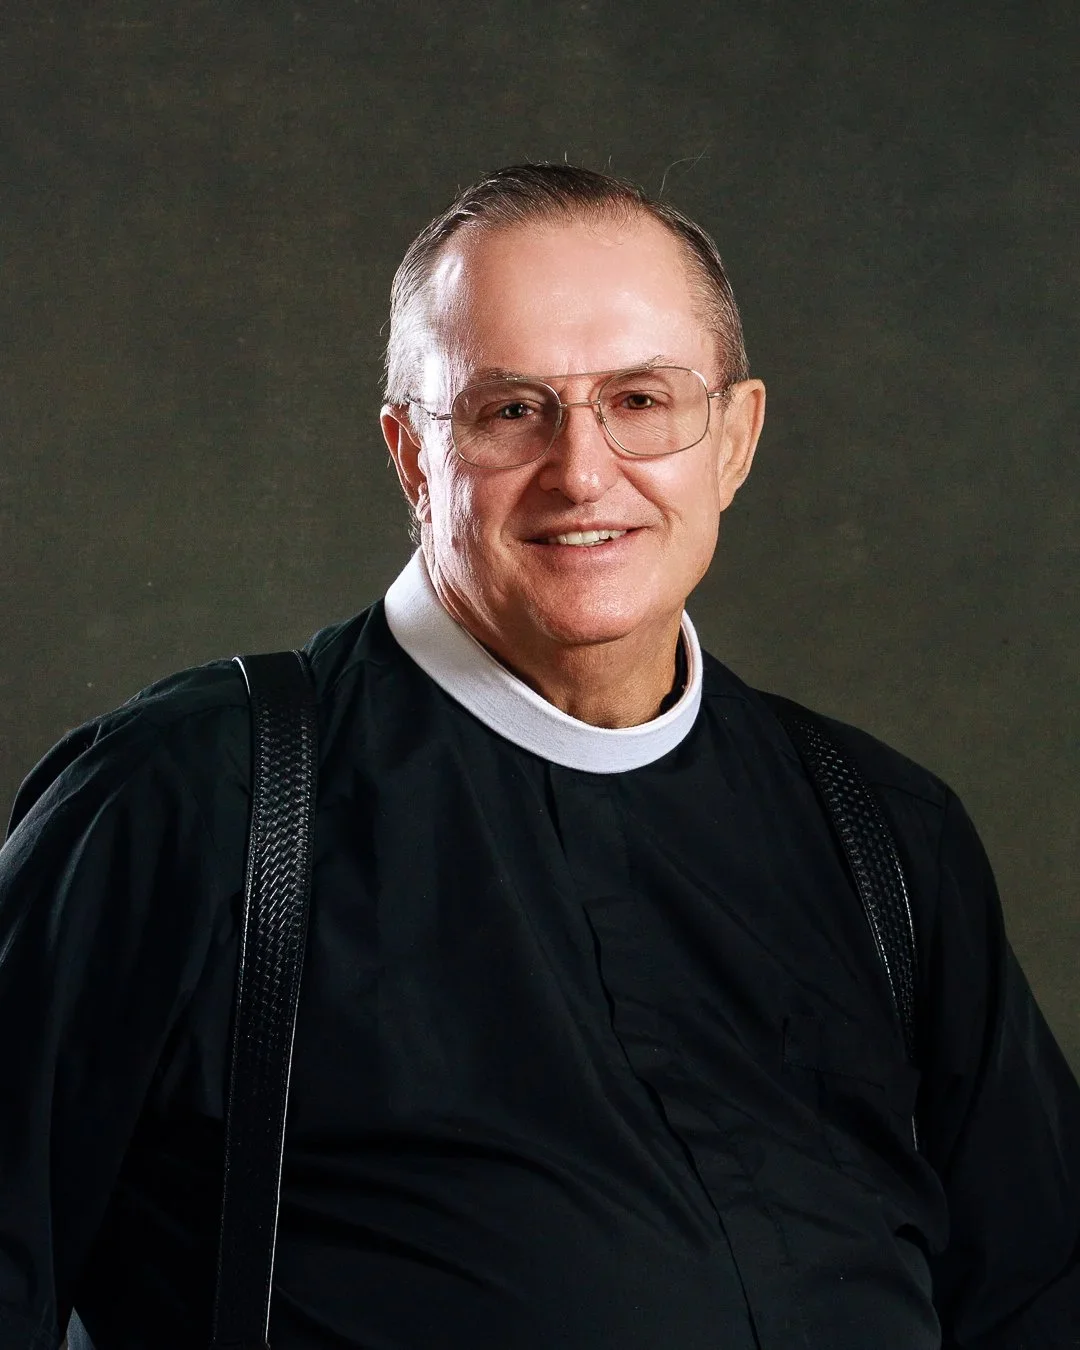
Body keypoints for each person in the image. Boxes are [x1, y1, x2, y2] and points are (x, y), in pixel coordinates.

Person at [1, 163, 1078, 1350]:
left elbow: (1041, 1293)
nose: (582, 471)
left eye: (642, 400)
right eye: (511, 408)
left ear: (735, 439)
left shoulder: (883, 831)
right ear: (413, 456)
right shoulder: (193, 801)